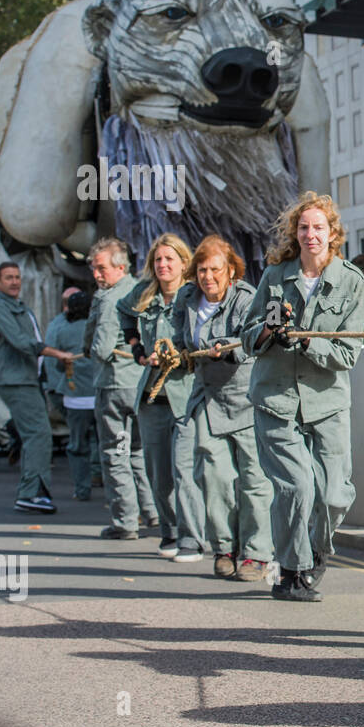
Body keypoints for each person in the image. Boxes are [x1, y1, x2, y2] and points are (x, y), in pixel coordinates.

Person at [242, 192, 364, 601]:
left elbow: (348, 353)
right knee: (296, 486)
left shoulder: (351, 280)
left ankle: (315, 552)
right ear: (294, 234)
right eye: (303, 227)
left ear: (333, 233)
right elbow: (247, 338)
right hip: (276, 398)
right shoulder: (275, 276)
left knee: (333, 494)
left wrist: (306, 341)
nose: (310, 234)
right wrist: (268, 331)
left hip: (326, 401)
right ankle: (290, 572)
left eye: (318, 227)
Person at [172, 235, 273, 582]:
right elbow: (178, 339)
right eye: (201, 270)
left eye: (215, 269)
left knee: (253, 479)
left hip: (245, 398)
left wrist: (227, 348)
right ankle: (225, 548)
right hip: (207, 398)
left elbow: (251, 340)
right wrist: (169, 352)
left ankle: (256, 553)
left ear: (230, 271)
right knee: (214, 478)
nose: (207, 277)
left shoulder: (246, 298)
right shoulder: (186, 299)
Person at [120, 234, 206, 563]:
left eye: (169, 259)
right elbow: (123, 312)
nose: (163, 265)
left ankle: (191, 538)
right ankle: (169, 530)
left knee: (184, 469)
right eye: (158, 260)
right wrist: (137, 348)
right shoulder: (143, 295)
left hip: (186, 393)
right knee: (158, 472)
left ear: (183, 263)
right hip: (152, 394)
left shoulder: (193, 295)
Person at [0, 261, 76, 513]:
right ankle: (31, 494)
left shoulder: (20, 308)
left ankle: (31, 492)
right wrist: (56, 353)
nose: (14, 282)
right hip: (16, 381)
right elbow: (22, 342)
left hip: (27, 378)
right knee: (39, 434)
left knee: (33, 436)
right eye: (8, 278)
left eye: (17, 277)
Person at [85, 237, 159, 538]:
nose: (97, 275)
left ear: (119, 266)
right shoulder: (143, 289)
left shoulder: (109, 299)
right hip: (140, 383)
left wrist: (91, 351)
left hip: (113, 385)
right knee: (139, 452)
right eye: (94, 269)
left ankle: (125, 521)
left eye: (101, 268)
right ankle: (152, 511)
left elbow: (101, 347)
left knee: (116, 452)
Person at [46, 290, 100, 501]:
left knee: (78, 445)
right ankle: (102, 477)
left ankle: (81, 488)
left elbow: (57, 367)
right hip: (100, 393)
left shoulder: (60, 330)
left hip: (75, 396)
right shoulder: (99, 329)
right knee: (107, 441)